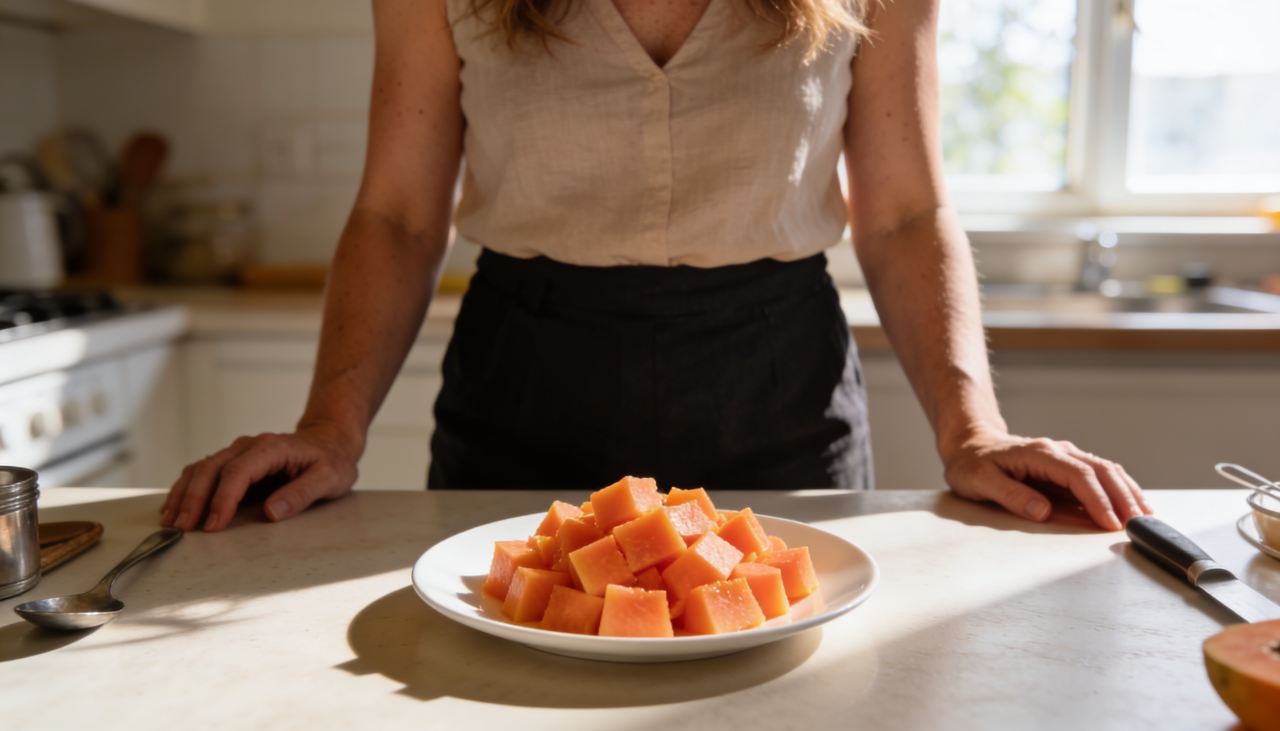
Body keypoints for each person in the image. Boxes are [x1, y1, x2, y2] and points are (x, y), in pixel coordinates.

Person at [161, 0, 1151, 533]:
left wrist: (972, 429)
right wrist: (329, 427)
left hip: (777, 391)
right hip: (522, 385)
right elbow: (395, 213)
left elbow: (902, 212)